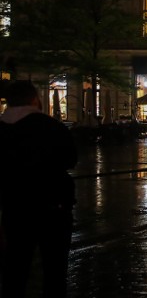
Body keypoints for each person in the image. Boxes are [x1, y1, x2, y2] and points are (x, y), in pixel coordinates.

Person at [0, 80, 78, 297]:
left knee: (15, 269)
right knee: (55, 270)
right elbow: (70, 159)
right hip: (54, 206)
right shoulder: (52, 127)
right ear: (34, 99)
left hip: (15, 209)